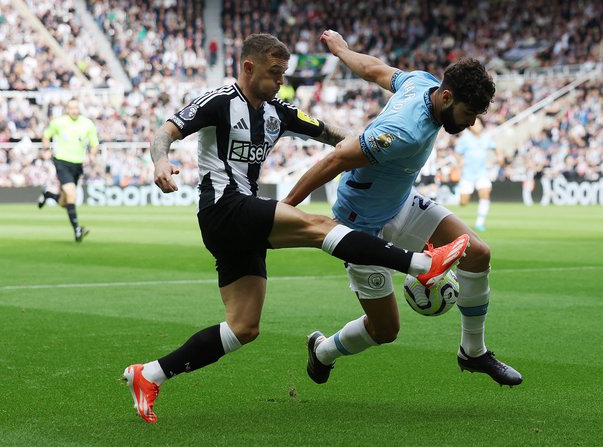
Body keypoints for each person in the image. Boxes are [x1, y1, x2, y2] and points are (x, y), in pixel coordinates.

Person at [122, 33, 469, 423]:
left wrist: (375, 148)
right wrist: (160, 162)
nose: (280, 81)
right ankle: (423, 266)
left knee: (243, 328)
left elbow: (330, 134)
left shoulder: (277, 111)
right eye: (274, 73)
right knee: (321, 226)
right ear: (248, 67)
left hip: (240, 221)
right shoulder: (219, 102)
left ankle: (149, 374)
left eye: (283, 73)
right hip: (224, 207)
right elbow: (166, 131)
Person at [283, 30, 522, 388]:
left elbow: (374, 69)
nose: (472, 122)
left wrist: (342, 50)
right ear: (446, 96)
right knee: (385, 329)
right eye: (469, 113)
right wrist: (284, 208)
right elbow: (336, 160)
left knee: (478, 254)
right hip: (360, 224)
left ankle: (473, 352)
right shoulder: (402, 132)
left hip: (401, 203)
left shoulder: (419, 82)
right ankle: (323, 351)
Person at [37, 99, 98, 242]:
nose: (74, 110)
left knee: (64, 202)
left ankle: (48, 195)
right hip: (62, 162)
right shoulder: (58, 122)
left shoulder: (87, 124)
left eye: (76, 107)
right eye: (71, 108)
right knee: (72, 196)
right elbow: (46, 135)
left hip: (78, 165)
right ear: (67, 109)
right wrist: (46, 149)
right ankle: (77, 230)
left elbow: (94, 143)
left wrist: (93, 155)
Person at [454, 116, 503, 231]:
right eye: (475, 124)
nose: (478, 126)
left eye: (479, 124)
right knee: (463, 202)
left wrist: (500, 157)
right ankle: (456, 192)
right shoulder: (465, 139)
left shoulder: (486, 138)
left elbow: (496, 149)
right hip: (467, 175)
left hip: (482, 173)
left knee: (485, 193)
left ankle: (479, 223)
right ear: (470, 127)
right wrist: (460, 160)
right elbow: (456, 153)